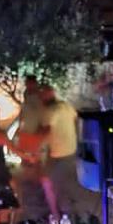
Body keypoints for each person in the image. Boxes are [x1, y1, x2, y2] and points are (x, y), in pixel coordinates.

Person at [39, 83, 79, 215]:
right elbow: (75, 119)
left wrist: (35, 149)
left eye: (41, 96)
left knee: (48, 182)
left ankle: (56, 213)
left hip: (58, 154)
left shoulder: (49, 111)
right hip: (71, 150)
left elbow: (45, 132)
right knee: (65, 181)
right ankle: (67, 209)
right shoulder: (66, 106)